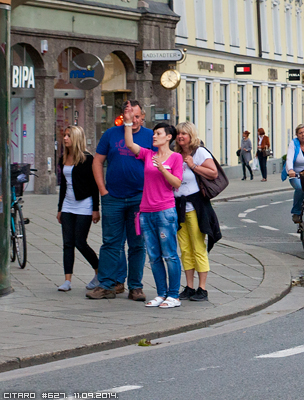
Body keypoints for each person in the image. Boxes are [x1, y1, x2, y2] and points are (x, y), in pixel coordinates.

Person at [87, 100, 154, 301]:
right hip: (113, 197)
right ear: (122, 116)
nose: (133, 120)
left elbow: (159, 163)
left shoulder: (150, 136)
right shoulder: (111, 134)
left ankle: (136, 287)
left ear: (142, 117)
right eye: (129, 115)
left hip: (139, 197)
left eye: (136, 116)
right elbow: (97, 161)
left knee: (137, 244)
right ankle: (107, 284)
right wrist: (102, 190)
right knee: (111, 243)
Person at [124, 120, 184, 308]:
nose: (154, 136)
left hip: (165, 211)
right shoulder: (148, 154)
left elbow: (177, 183)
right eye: (154, 133)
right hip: (146, 212)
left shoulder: (175, 158)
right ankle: (161, 294)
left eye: (158, 133)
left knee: (170, 254)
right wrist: (127, 123)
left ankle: (173, 295)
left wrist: (161, 168)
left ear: (168, 137)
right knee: (154, 256)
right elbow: (130, 144)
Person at [174, 122, 221, 301]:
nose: (180, 137)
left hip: (196, 206)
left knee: (198, 247)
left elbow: (213, 173)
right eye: (178, 134)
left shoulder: (199, 152)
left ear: (191, 135)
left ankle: (202, 288)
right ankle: (189, 287)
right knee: (185, 249)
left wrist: (193, 166)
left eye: (184, 134)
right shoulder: (177, 154)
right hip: (180, 206)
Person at [56, 125, 100, 292]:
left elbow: (94, 185)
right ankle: (67, 280)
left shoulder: (88, 159)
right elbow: (64, 185)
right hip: (68, 204)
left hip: (84, 204)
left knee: (80, 242)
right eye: (65, 135)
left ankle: (99, 271)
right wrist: (60, 208)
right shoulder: (63, 158)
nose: (65, 138)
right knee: (67, 243)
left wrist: (96, 209)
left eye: (68, 135)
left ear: (76, 138)